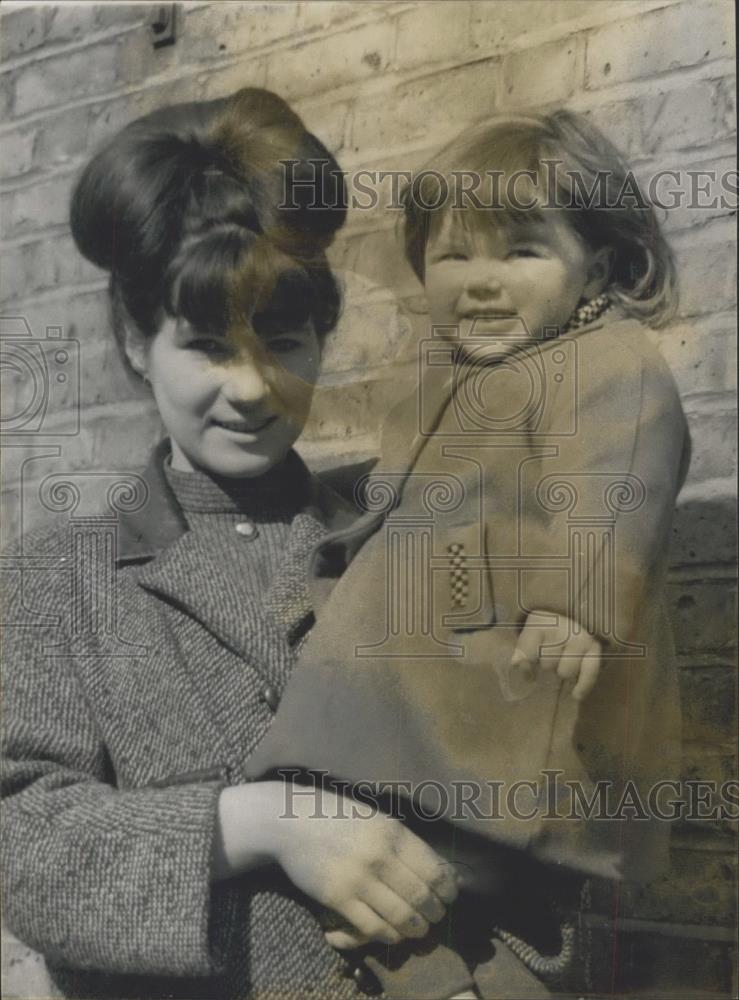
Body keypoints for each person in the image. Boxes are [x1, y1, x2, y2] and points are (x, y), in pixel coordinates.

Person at [0, 87, 462, 1000]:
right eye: (208, 344)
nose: (252, 388)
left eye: (283, 340)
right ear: (136, 345)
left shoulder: (404, 527)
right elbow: (24, 850)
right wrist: (256, 824)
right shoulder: (62, 577)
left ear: (323, 338)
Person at [244, 109, 692, 998]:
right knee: (358, 837)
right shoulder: (447, 368)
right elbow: (401, 488)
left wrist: (577, 598)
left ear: (593, 266)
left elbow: (615, 474)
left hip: (514, 665)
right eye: (453, 256)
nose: (481, 283)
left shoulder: (607, 363)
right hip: (428, 659)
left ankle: (453, 979)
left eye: (521, 251)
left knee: (466, 856)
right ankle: (437, 972)